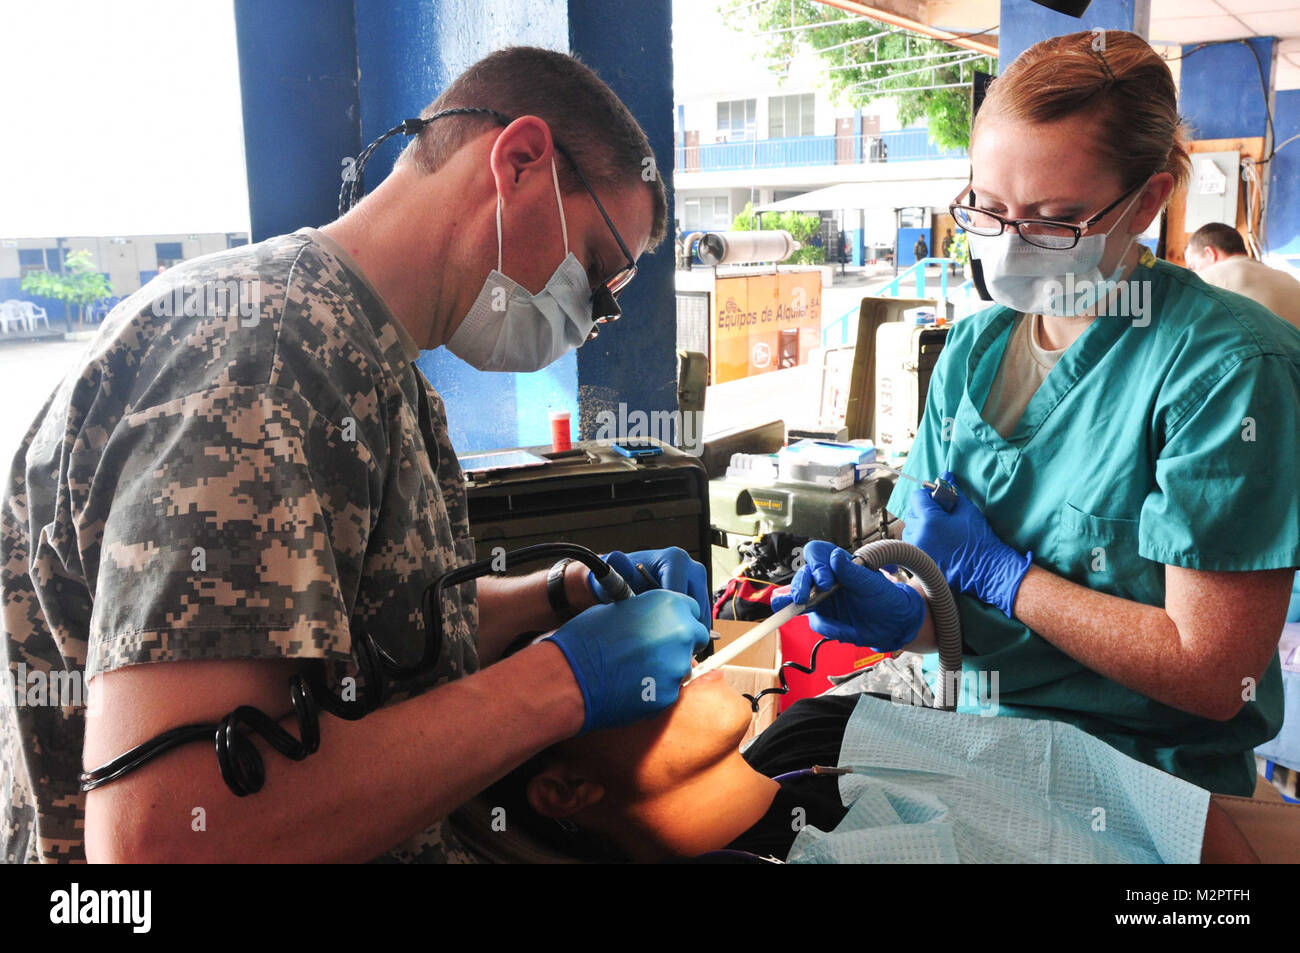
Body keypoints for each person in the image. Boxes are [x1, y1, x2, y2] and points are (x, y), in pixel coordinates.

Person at [0, 47, 712, 864]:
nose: (590, 318)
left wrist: (562, 592)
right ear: (519, 163)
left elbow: (346, 635)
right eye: (594, 272)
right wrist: (558, 685)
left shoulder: (374, 366)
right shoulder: (260, 359)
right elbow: (167, 839)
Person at [774, 31, 1300, 798]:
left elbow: (1215, 672)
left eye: (1053, 221)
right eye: (986, 210)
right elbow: (959, 608)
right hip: (970, 731)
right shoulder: (972, 351)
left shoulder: (1227, 370)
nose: (1011, 246)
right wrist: (905, 615)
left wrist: (1006, 576)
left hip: (1137, 774)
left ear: (1148, 201)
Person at [473, 658, 1258, 863]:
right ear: (566, 789)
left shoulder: (818, 733)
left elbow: (1150, 810)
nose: (661, 649)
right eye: (607, 669)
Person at [1184, 222, 1300, 329]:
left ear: (1210, 253)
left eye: (1193, 266)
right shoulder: (1289, 279)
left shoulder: (1206, 279)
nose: (1195, 272)